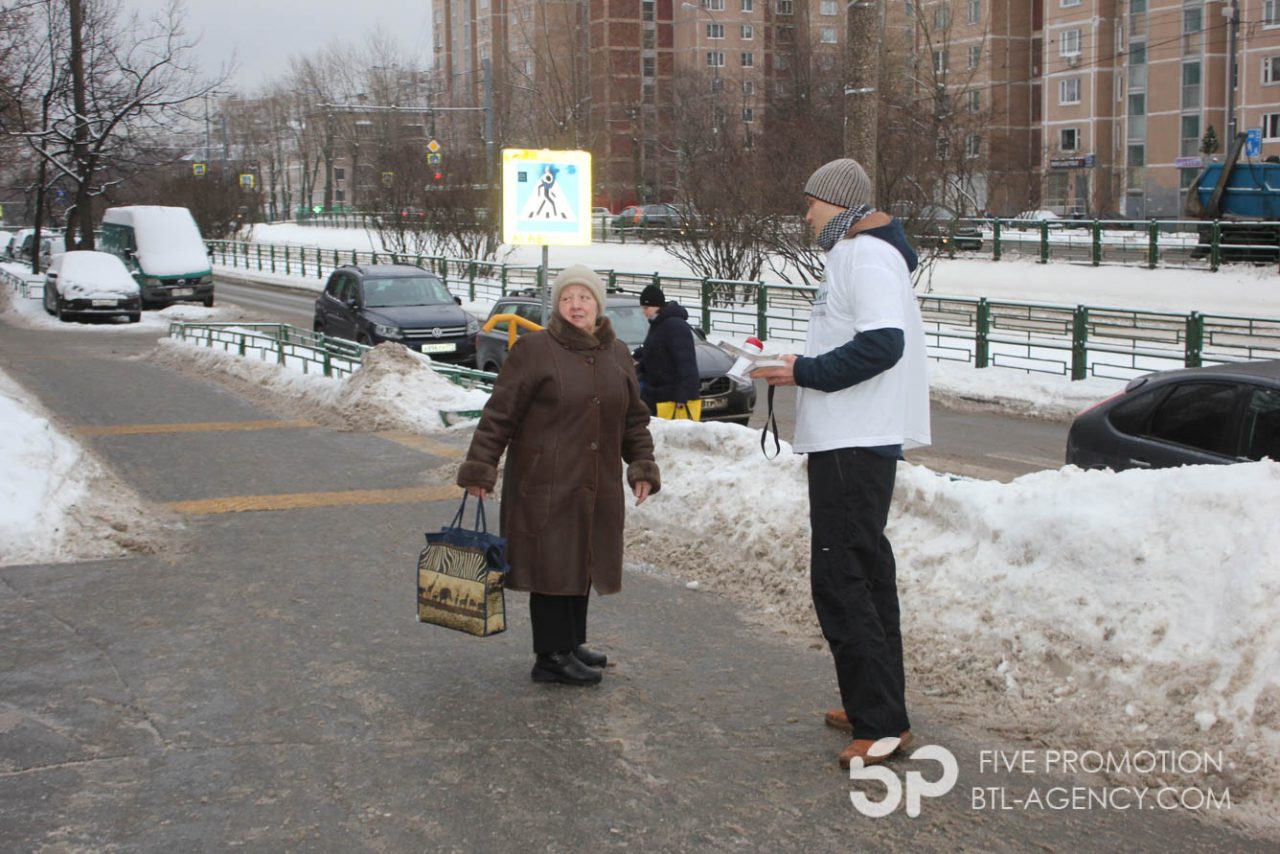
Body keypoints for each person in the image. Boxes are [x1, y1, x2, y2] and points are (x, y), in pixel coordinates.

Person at [751, 158, 931, 769]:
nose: (805, 215)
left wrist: (802, 371)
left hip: (854, 442)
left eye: (812, 203)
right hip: (852, 438)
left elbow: (883, 345)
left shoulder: (865, 255)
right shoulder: (860, 254)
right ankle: (879, 711)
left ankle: (879, 725)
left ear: (839, 203)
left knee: (842, 579)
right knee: (865, 578)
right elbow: (860, 339)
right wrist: (801, 363)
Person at [456, 265, 661, 686]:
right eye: (567, 298)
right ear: (557, 305)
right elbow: (500, 414)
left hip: (596, 482)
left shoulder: (617, 352)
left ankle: (570, 643)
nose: (575, 305)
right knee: (551, 565)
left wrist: (641, 466)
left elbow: (633, 420)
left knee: (582, 560)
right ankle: (549, 657)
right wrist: (481, 467)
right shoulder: (534, 350)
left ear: (597, 305)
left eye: (584, 297)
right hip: (544, 483)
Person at [634, 284, 701, 421]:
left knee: (675, 438)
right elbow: (654, 348)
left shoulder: (674, 326)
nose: (643, 311)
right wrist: (636, 355)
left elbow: (686, 363)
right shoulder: (658, 324)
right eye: (642, 307)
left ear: (657, 306)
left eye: (646, 307)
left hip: (672, 397)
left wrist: (683, 396)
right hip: (659, 394)